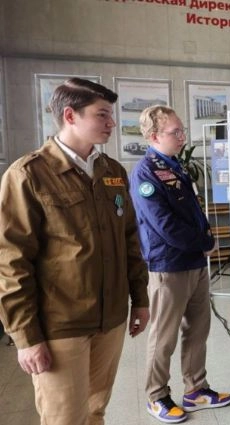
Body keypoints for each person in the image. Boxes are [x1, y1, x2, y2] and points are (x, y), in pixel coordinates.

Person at [0, 78, 150, 425]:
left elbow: (129, 238)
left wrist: (139, 299)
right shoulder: (28, 175)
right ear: (70, 115)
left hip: (110, 319)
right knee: (64, 418)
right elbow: (10, 262)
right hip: (60, 325)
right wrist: (25, 337)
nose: (111, 123)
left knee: (95, 410)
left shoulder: (111, 171)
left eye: (110, 115)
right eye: (102, 115)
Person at [130, 105, 230, 424]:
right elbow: (164, 225)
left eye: (181, 130)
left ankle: (196, 388)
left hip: (195, 264)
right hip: (169, 267)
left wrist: (205, 239)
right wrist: (205, 243)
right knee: (164, 336)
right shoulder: (145, 172)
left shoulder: (176, 167)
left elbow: (192, 212)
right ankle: (156, 395)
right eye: (175, 132)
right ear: (154, 135)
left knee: (198, 330)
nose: (182, 136)